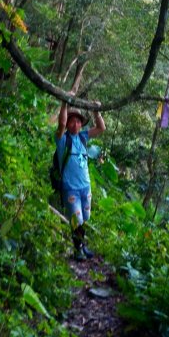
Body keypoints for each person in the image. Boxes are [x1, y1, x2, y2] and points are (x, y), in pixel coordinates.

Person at [56, 101, 105, 261]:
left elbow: (101, 128)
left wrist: (96, 111)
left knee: (83, 218)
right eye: (72, 121)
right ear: (68, 123)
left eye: (78, 121)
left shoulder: (83, 137)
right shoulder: (62, 139)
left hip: (85, 187)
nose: (75, 124)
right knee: (76, 220)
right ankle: (78, 250)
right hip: (70, 188)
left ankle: (82, 245)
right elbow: (61, 123)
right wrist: (64, 102)